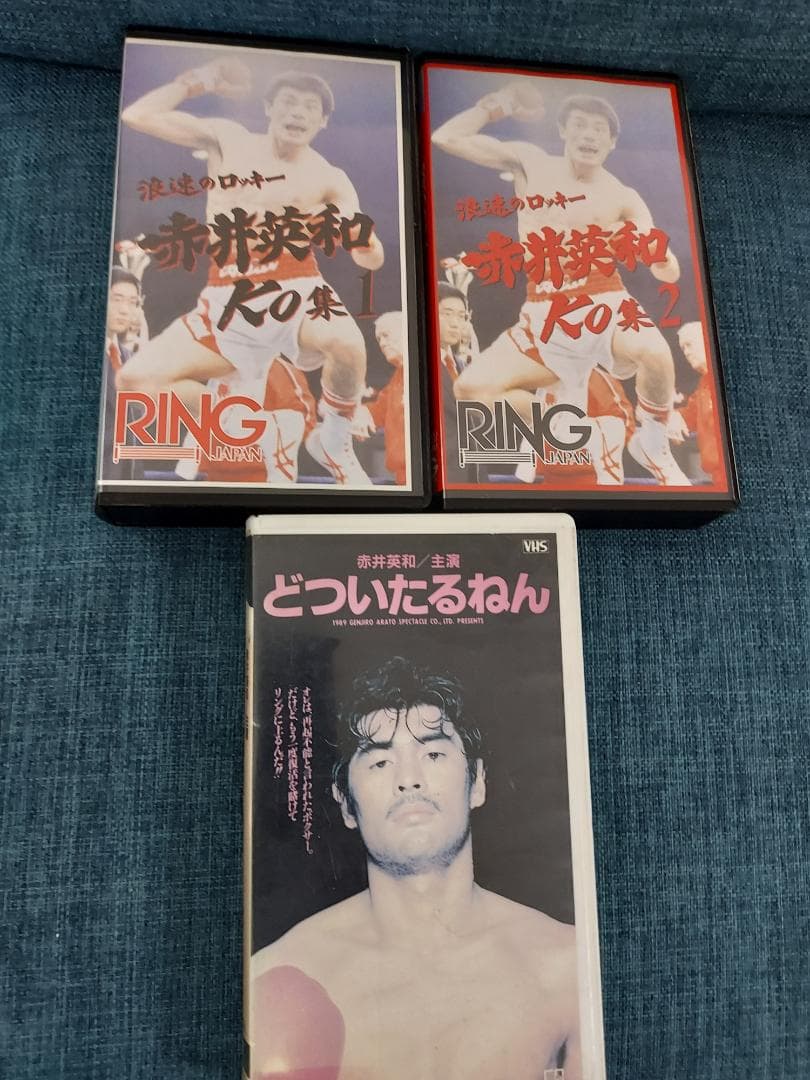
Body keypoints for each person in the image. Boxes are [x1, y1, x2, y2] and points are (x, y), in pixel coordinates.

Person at [250, 658, 581, 1080]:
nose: (409, 778)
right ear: (346, 803)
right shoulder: (278, 976)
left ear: (478, 782)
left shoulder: (565, 964)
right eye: (380, 762)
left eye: (434, 753)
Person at [117, 58, 384, 485]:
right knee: (134, 380)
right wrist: (199, 79)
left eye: (310, 107)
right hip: (228, 296)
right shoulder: (230, 140)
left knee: (348, 343)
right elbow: (138, 115)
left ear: (323, 121)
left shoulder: (330, 178)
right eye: (289, 102)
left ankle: (333, 440)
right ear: (268, 108)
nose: (297, 112)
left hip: (296, 287)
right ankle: (252, 422)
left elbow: (371, 260)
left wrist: (362, 239)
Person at [432, 83, 690, 485]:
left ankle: (652, 443)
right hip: (544, 310)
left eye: (599, 129)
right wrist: (499, 104)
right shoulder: (532, 163)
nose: (589, 135)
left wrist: (661, 258)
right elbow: (446, 137)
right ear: (563, 131)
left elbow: (668, 272)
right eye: (580, 125)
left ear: (612, 142)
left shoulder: (624, 197)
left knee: (655, 353)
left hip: (603, 298)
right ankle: (571, 432)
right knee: (470, 390)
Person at [353, 311, 407, 485]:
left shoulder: (434, 369)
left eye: (386, 335)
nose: (382, 343)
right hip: (404, 478)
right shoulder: (398, 378)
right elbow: (378, 409)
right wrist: (361, 413)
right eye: (379, 339)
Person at [671, 321, 723, 484]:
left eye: (689, 345)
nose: (686, 352)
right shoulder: (704, 385)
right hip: (719, 476)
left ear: (705, 342)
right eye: (683, 348)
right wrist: (673, 418)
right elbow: (689, 414)